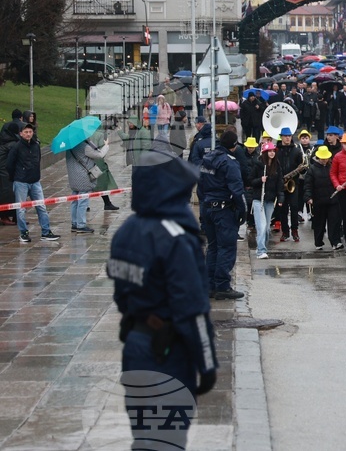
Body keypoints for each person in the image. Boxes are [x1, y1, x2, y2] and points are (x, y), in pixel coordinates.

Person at [107, 149, 218, 448]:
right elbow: (193, 309)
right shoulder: (176, 237)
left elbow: (121, 295)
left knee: (145, 439)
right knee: (167, 441)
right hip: (168, 351)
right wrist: (207, 365)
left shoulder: (126, 231)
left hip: (136, 345)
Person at [197, 131, 247, 299]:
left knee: (213, 247)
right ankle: (223, 286)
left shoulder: (207, 159)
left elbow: (200, 187)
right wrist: (242, 211)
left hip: (208, 208)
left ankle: (210, 285)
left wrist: (204, 209)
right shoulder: (230, 163)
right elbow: (237, 191)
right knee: (226, 248)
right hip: (224, 210)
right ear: (233, 146)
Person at [6, 122, 60, 243]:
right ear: (20, 133)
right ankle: (23, 232)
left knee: (41, 207)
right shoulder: (16, 147)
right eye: (26, 132)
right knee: (21, 209)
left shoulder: (36, 145)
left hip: (35, 181)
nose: (28, 134)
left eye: (30, 132)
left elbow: (38, 160)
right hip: (21, 182)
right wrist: (15, 177)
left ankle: (46, 231)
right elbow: (9, 164)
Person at [65, 137, 106, 234]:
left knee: (74, 200)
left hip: (73, 177)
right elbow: (99, 155)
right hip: (84, 177)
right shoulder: (84, 146)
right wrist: (106, 145)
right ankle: (81, 225)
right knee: (83, 201)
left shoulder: (70, 146)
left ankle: (74, 223)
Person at [249, 141, 283, 259]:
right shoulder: (258, 164)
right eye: (270, 151)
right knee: (261, 226)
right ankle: (260, 250)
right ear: (265, 153)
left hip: (270, 199)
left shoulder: (276, 165)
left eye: (273, 151)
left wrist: (280, 197)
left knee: (267, 228)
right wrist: (260, 180)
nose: (272, 153)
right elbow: (250, 181)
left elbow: (280, 182)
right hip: (259, 199)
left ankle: (264, 248)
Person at [304, 145, 339, 252]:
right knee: (319, 223)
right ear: (318, 157)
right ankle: (318, 242)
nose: (324, 160)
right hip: (318, 200)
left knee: (334, 222)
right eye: (322, 158)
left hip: (332, 199)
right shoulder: (312, 169)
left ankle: (335, 242)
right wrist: (308, 197)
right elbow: (308, 185)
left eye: (326, 158)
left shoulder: (332, 167)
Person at [274, 126, 305, 242]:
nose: (287, 138)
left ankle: (295, 231)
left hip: (293, 183)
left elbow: (302, 168)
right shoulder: (276, 150)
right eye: (285, 136)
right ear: (281, 137)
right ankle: (285, 232)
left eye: (289, 136)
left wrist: (302, 169)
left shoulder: (297, 151)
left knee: (294, 207)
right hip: (280, 183)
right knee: (282, 209)